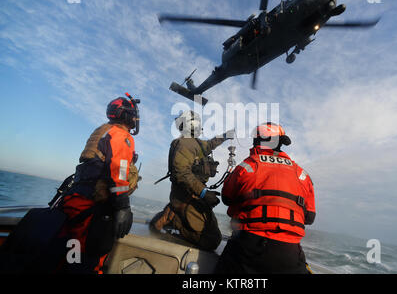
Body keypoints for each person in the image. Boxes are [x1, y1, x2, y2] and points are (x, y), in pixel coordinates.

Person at [214, 122, 316, 274]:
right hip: (290, 254)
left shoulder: (247, 166)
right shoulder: (302, 174)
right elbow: (310, 217)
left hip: (247, 248)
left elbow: (227, 197)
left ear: (257, 141)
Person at [57, 93, 141, 273]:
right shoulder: (122, 135)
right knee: (89, 259)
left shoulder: (103, 130)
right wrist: (123, 207)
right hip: (92, 203)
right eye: (133, 113)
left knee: (69, 253)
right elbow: (118, 171)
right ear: (125, 114)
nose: (135, 117)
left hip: (75, 196)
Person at [151, 110, 234, 251]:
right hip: (187, 198)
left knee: (214, 237)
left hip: (193, 196)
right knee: (212, 241)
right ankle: (174, 218)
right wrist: (204, 193)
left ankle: (172, 212)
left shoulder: (195, 143)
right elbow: (181, 173)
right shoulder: (185, 144)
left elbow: (210, 144)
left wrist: (225, 136)